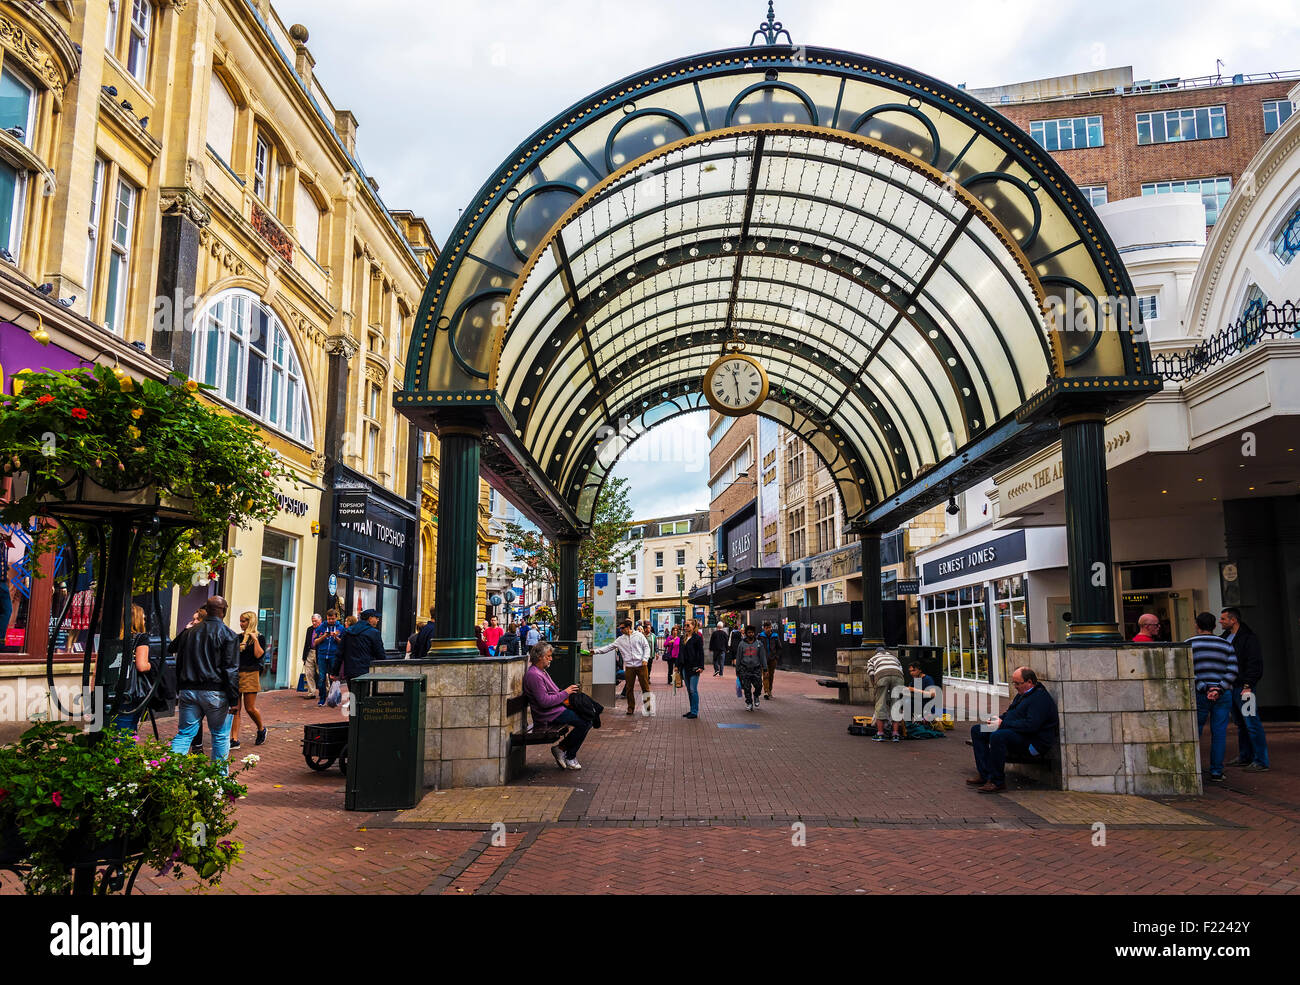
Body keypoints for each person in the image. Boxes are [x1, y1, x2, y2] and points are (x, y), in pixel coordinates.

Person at [170, 596, 239, 772]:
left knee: (185, 734)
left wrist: (180, 686)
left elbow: (174, 652)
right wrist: (233, 699)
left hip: (189, 689)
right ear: (224, 611)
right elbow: (230, 669)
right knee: (220, 736)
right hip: (215, 692)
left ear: (206, 610)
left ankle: (169, 771)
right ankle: (219, 780)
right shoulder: (229, 635)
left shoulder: (189, 633)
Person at [967, 666, 1058, 793]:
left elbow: (1031, 726)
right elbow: (1011, 713)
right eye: (1013, 683)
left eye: (1017, 683)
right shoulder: (1022, 695)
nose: (1015, 686)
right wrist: (997, 720)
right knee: (978, 730)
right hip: (1017, 732)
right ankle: (985, 774)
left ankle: (997, 781)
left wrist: (1002, 724)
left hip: (1033, 742)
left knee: (998, 737)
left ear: (1029, 682)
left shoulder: (1040, 699)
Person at [1187, 611, 1237, 781]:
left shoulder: (1188, 645)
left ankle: (1193, 768)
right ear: (1214, 626)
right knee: (1219, 733)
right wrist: (1218, 689)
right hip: (1222, 695)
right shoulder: (1226, 645)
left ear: (1197, 625)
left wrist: (1204, 688)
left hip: (1199, 694)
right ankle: (1216, 771)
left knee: (1195, 732)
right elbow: (1232, 670)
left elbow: (1187, 671)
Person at [522, 642, 588, 770]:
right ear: (540, 657)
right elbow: (544, 702)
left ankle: (563, 749)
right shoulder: (534, 675)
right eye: (548, 656)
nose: (551, 659)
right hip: (549, 715)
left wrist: (567, 696)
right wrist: (566, 693)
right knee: (585, 721)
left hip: (556, 710)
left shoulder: (541, 672)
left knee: (589, 716)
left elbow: (554, 693)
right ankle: (568, 755)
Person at [1220, 607, 1268, 772]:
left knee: (1251, 722)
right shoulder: (1227, 637)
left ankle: (1260, 760)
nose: (1221, 622)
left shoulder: (1248, 638)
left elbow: (1254, 663)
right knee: (1242, 723)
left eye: (1224, 619)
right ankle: (1246, 756)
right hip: (1233, 686)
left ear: (1233, 620)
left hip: (1243, 687)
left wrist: (1248, 685)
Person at [111, 604, 156, 733]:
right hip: (128, 691)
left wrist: (93, 693)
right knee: (127, 729)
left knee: (108, 728)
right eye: (143, 617)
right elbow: (141, 666)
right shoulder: (141, 638)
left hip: (108, 689)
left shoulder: (111, 637)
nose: (144, 620)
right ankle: (124, 752)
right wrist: (152, 665)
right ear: (136, 619)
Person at [594, 619, 652, 715]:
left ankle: (648, 708)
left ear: (628, 627)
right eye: (620, 628)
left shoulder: (639, 635)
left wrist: (645, 659)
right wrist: (595, 651)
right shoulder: (620, 639)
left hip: (641, 665)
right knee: (629, 688)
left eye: (622, 628)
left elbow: (646, 647)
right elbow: (609, 647)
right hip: (629, 667)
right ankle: (630, 708)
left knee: (645, 687)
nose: (620, 630)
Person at [229, 611, 267, 751]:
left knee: (249, 708)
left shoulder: (259, 637)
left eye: (244, 621)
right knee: (235, 709)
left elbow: (259, 655)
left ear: (250, 621)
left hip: (251, 673)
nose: (241, 624)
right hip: (237, 674)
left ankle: (261, 728)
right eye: (240, 621)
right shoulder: (238, 638)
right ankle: (234, 739)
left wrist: (254, 640)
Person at [866, 648, 906, 742]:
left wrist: (875, 686)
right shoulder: (894, 658)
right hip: (898, 677)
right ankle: (895, 734)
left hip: (882, 676)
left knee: (880, 704)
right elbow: (901, 671)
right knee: (896, 704)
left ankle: (880, 734)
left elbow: (871, 673)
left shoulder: (872, 659)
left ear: (876, 653)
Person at [341, 608, 386, 688]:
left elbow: (340, 652)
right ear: (370, 618)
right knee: (365, 696)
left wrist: (334, 672)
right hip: (365, 671)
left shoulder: (347, 631)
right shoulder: (374, 633)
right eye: (376, 617)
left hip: (350, 671)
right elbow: (380, 654)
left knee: (353, 696)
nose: (378, 620)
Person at [312, 609, 344, 706]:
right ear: (326, 617)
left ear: (336, 617)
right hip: (322, 655)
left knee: (333, 678)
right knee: (321, 678)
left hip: (334, 655)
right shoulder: (321, 627)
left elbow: (343, 643)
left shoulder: (341, 628)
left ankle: (333, 697)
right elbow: (314, 642)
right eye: (329, 619)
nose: (331, 621)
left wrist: (336, 637)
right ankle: (322, 698)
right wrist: (324, 636)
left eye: (333, 619)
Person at [732, 625, 767, 711]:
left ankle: (756, 695)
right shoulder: (741, 644)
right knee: (747, 688)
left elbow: (763, 657)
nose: (751, 634)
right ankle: (749, 703)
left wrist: (765, 668)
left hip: (756, 668)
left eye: (752, 632)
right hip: (745, 669)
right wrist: (737, 670)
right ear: (746, 633)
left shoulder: (759, 644)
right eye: (749, 632)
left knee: (759, 685)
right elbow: (739, 657)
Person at [678, 618, 705, 719]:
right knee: (689, 690)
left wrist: (701, 666)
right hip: (685, 667)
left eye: (688, 625)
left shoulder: (697, 638)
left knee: (693, 690)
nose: (685, 627)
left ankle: (694, 711)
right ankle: (691, 710)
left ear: (693, 626)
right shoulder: (682, 638)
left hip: (694, 667)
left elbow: (701, 653)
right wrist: (677, 666)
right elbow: (680, 653)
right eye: (685, 625)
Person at [758, 620, 782, 700]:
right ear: (764, 628)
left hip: (773, 659)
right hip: (763, 660)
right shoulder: (760, 636)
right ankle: (766, 691)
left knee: (771, 675)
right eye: (767, 628)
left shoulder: (775, 636)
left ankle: (770, 690)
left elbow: (779, 647)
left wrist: (776, 657)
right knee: (765, 675)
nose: (768, 629)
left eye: (770, 627)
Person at [300, 613, 322, 699]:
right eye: (312, 621)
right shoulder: (309, 629)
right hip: (310, 652)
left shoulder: (323, 629)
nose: (314, 623)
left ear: (320, 620)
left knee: (322, 673)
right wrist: (304, 656)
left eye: (315, 621)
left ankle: (326, 690)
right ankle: (311, 692)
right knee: (309, 673)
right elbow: (306, 643)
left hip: (319, 653)